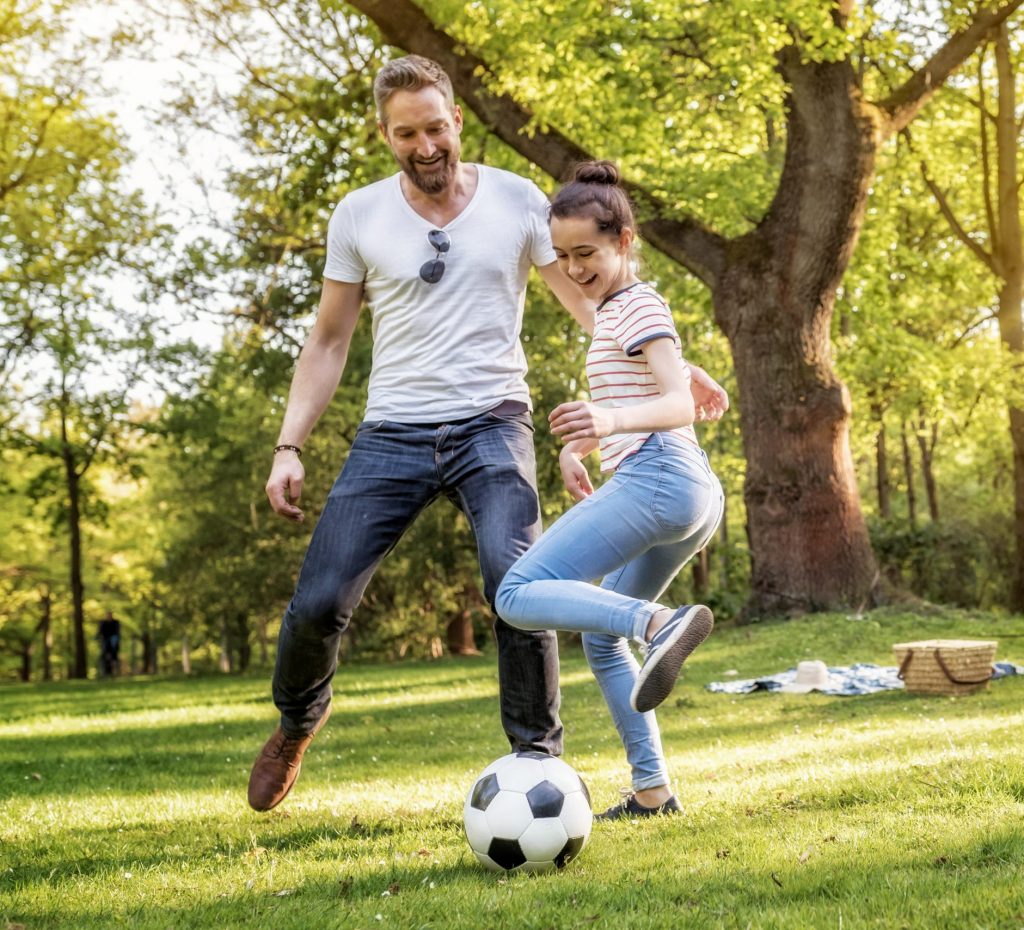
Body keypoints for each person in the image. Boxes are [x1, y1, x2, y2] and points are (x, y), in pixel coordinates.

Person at [248, 55, 728, 813]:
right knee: (318, 603)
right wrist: (288, 446)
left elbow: (592, 297)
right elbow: (329, 342)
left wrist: (673, 367)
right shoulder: (359, 215)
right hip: (391, 431)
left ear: (458, 121)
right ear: (386, 134)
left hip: (493, 423)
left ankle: (537, 761)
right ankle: (298, 720)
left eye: (436, 126)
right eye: (407, 133)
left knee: (522, 583)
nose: (426, 144)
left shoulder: (517, 200)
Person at [495, 161, 725, 821]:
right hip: (688, 494)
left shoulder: (639, 304)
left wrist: (613, 421)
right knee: (601, 640)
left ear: (624, 241)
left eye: (586, 252)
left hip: (661, 477)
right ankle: (653, 791)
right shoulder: (617, 313)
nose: (572, 268)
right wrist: (579, 446)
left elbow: (674, 403)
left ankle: (661, 623)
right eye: (562, 255)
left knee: (515, 594)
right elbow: (652, 383)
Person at [97, 611, 121, 678]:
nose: (109, 616)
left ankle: (114, 671)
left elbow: (117, 632)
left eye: (110, 615)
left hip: (113, 640)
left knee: (113, 652)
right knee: (105, 653)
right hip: (106, 641)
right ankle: (105, 671)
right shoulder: (103, 623)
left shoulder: (115, 623)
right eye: (108, 615)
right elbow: (100, 631)